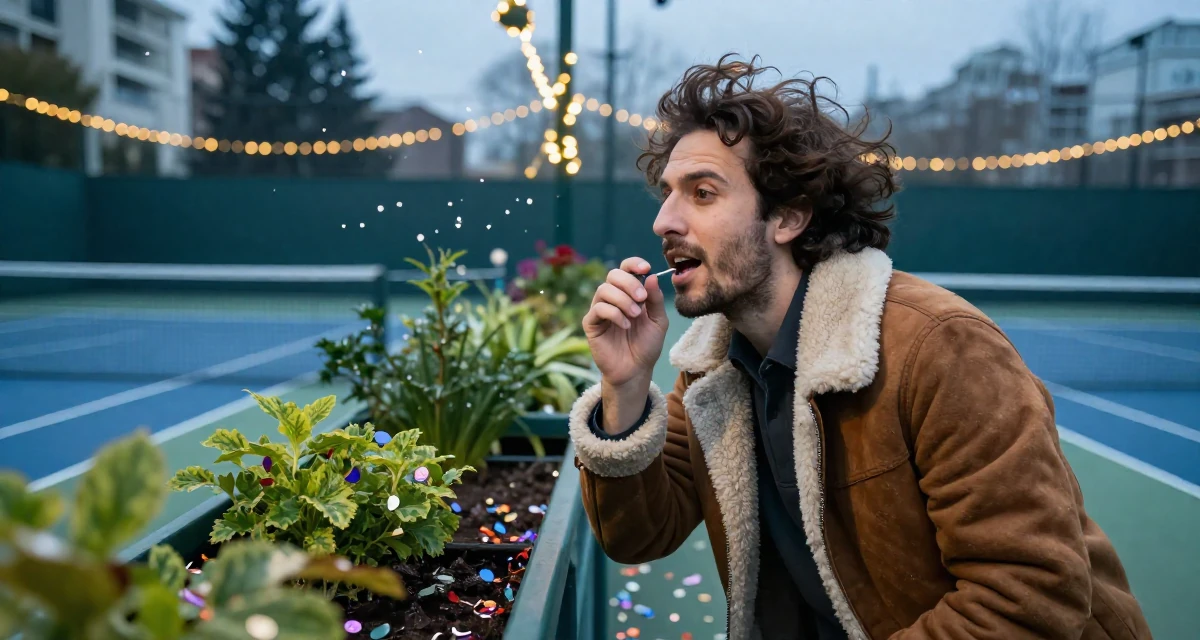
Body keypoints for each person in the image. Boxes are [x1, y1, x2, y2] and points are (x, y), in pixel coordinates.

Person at [569, 55, 1151, 640]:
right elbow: (639, 535)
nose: (664, 220)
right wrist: (625, 384)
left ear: (790, 217)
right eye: (667, 194)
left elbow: (1029, 594)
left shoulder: (940, 347)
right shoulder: (714, 367)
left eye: (702, 193)